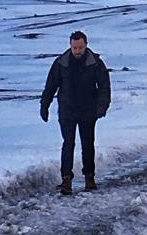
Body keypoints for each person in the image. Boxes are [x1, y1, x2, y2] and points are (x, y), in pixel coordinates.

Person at [40, 30, 111, 195]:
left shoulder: (96, 63)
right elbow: (51, 85)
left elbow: (104, 87)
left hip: (88, 110)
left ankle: (89, 177)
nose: (77, 51)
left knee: (88, 144)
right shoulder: (61, 63)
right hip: (67, 110)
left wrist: (102, 106)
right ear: (70, 46)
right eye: (74, 47)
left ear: (86, 45)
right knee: (68, 144)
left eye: (80, 47)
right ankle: (66, 179)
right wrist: (45, 105)